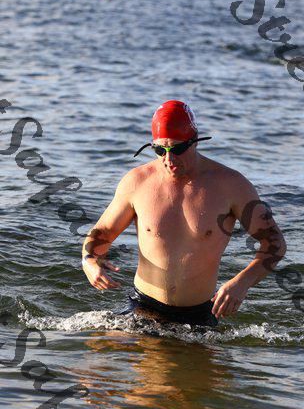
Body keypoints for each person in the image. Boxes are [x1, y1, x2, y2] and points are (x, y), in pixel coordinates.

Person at [82, 100, 286, 327]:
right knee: (94, 347)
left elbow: (274, 243)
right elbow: (103, 232)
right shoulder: (137, 182)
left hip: (198, 315)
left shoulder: (231, 185)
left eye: (177, 149)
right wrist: (89, 260)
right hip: (142, 307)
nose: (169, 160)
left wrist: (242, 283)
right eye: (160, 150)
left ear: (195, 141)